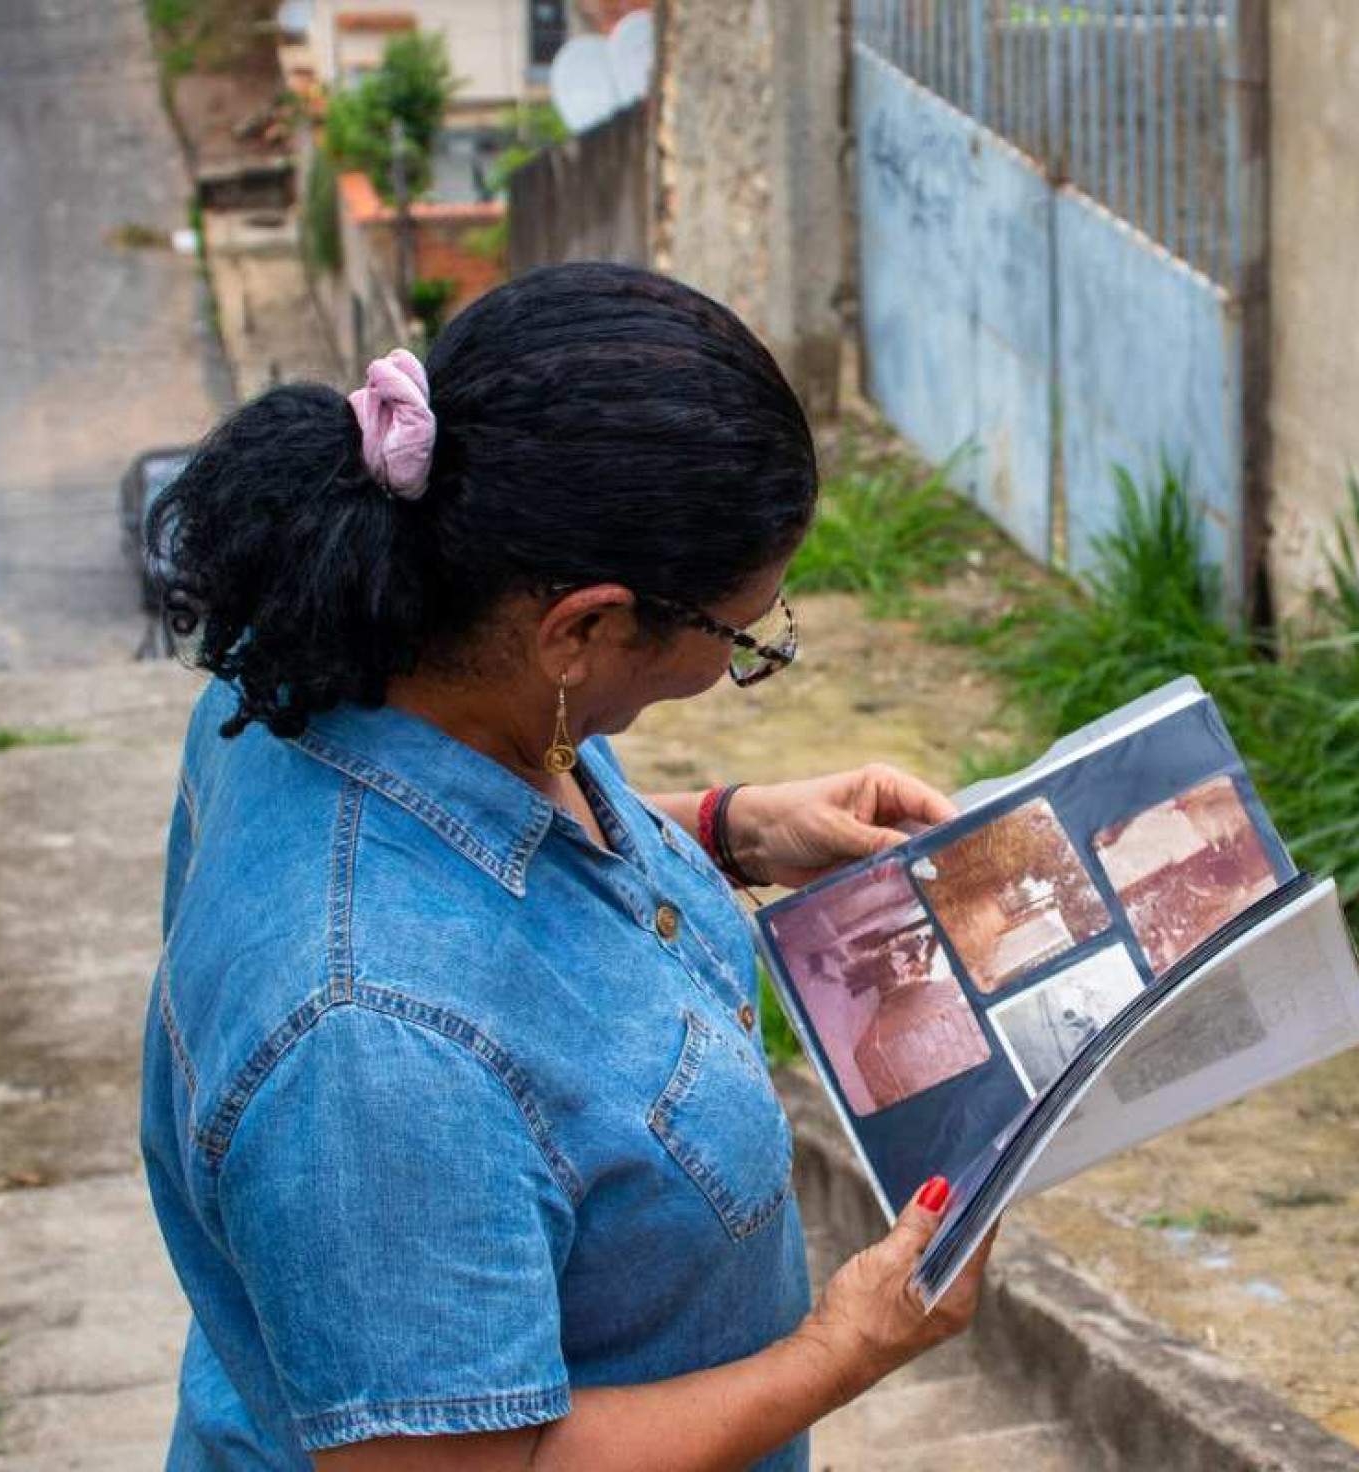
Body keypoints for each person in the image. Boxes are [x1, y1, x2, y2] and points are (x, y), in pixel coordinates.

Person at [140, 263, 994, 1471]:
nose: (751, 651)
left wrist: (729, 824)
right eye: (745, 637)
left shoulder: (328, 661)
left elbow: (461, 848)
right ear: (581, 629)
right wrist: (843, 1348)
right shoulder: (374, 1050)